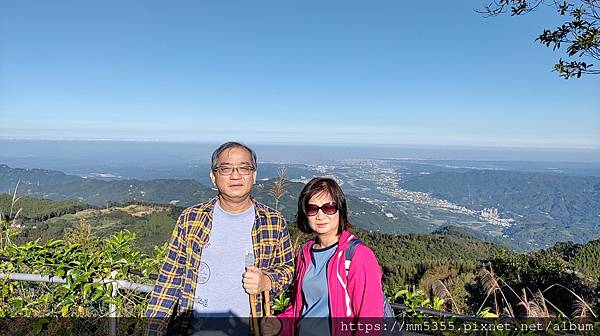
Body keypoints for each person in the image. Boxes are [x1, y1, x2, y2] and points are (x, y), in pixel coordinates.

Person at [145, 142, 295, 336]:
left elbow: (287, 269)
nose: (235, 175)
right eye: (225, 169)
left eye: (244, 168)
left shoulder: (273, 222)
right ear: (213, 177)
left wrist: (267, 280)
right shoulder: (191, 218)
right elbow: (168, 282)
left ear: (254, 175)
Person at [262, 177, 384, 336]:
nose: (320, 215)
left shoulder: (358, 256)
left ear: (341, 209)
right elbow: (300, 307)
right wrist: (280, 324)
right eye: (312, 209)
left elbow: (370, 320)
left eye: (329, 207)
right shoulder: (304, 253)